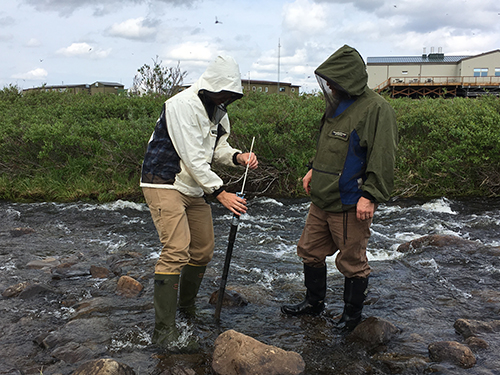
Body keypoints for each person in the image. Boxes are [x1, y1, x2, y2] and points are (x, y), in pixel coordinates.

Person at [140, 55, 258, 350]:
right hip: (164, 182)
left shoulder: (219, 111)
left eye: (233, 95)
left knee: (203, 250)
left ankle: (186, 311)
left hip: (193, 188)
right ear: (213, 85)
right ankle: (164, 332)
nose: (229, 99)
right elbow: (192, 157)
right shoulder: (181, 105)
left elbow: (217, 149)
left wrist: (237, 156)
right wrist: (221, 193)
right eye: (226, 93)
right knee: (176, 249)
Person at [281, 45, 398, 331]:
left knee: (352, 262)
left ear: (349, 78)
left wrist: (370, 195)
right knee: (309, 251)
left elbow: (383, 156)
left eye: (334, 81)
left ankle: (351, 316)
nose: (329, 86)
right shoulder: (337, 103)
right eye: (328, 81)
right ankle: (313, 303)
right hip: (321, 198)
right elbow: (330, 145)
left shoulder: (376, 109)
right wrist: (312, 168)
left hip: (350, 201)